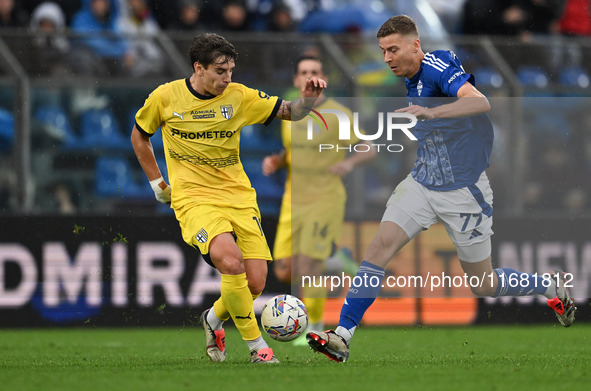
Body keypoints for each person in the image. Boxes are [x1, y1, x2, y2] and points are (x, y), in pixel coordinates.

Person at [306, 15, 577, 363]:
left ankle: (549, 287)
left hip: (464, 192)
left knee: (484, 284)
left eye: (393, 49)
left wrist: (435, 114)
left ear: (415, 45)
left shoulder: (437, 65)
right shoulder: (410, 77)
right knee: (378, 249)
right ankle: (342, 336)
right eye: (383, 51)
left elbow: (480, 101)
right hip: (422, 182)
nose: (386, 58)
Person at [130, 33, 326, 363]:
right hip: (193, 198)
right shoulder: (166, 97)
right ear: (199, 68)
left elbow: (290, 112)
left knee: (254, 283)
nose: (227, 78)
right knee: (229, 260)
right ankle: (257, 348)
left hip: (238, 196)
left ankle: (212, 319)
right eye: (220, 71)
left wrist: (307, 100)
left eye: (231, 70)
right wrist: (157, 183)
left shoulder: (239, 96)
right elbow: (140, 135)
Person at [262, 55, 375, 344]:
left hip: (325, 197)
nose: (309, 76)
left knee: (307, 267)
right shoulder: (290, 114)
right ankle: (337, 259)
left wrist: (348, 165)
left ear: (322, 79)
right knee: (284, 268)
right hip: (293, 200)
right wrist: (277, 161)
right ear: (296, 80)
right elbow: (293, 150)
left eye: (314, 71)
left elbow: (369, 147)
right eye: (304, 72)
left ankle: (313, 324)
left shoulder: (337, 114)